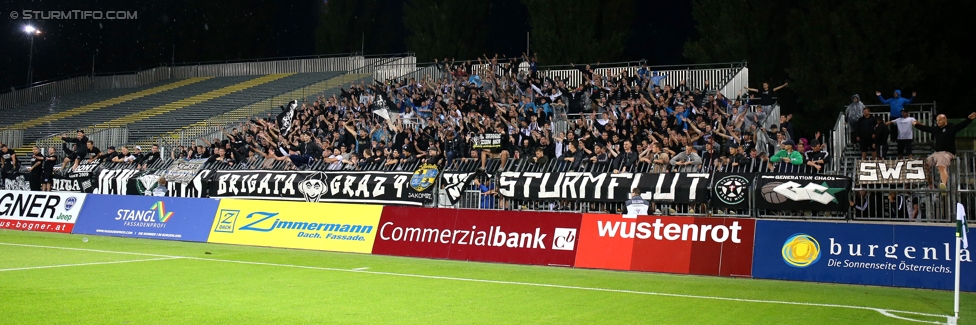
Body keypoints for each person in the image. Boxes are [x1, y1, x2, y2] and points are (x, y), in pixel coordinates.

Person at [912, 112, 976, 191]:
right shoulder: (936, 129)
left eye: (939, 120)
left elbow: (961, 125)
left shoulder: (951, 127)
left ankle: (943, 185)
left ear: (945, 120)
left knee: (941, 166)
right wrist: (916, 125)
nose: (938, 122)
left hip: (947, 153)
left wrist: (969, 119)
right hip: (936, 153)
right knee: (925, 165)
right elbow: (927, 128)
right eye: (937, 121)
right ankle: (930, 184)